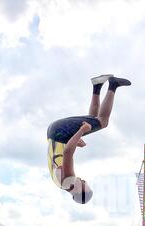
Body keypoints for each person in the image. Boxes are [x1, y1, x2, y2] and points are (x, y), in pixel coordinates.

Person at [47, 75, 131, 204]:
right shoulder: (60, 184)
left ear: (80, 191)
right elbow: (60, 153)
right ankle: (97, 86)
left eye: (84, 183)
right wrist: (73, 140)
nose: (83, 180)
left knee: (103, 122)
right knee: (92, 119)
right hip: (55, 135)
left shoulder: (68, 182)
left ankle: (113, 85)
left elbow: (68, 152)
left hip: (58, 133)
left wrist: (81, 131)